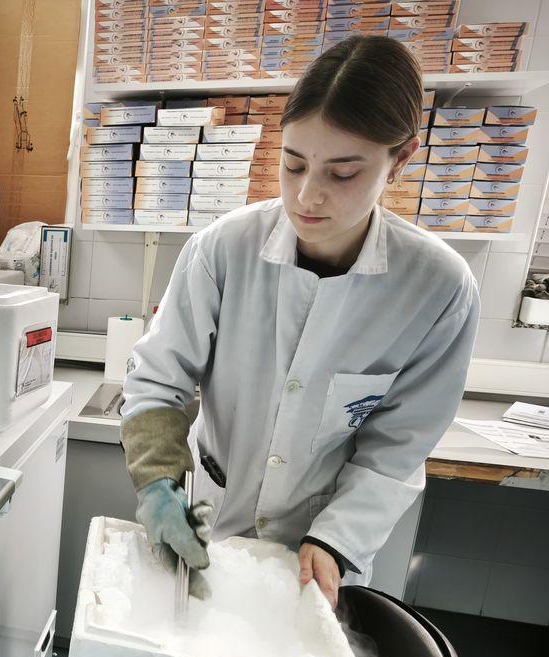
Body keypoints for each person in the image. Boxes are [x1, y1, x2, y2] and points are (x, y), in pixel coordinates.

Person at [121, 35, 481, 609]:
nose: (307, 196)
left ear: (403, 157)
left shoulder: (436, 287)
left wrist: (335, 540)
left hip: (317, 553)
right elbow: (158, 379)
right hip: (214, 519)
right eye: (293, 165)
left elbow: (398, 446)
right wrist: (158, 482)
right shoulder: (224, 249)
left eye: (342, 173)